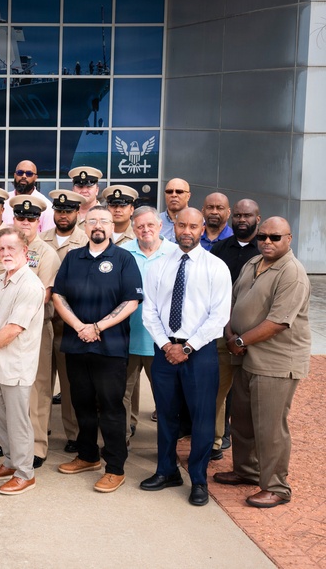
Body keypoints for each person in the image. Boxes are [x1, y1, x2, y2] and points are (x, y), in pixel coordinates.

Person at [216, 217, 311, 509]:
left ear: (289, 239)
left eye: (275, 237)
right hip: (245, 357)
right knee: (242, 420)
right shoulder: (253, 263)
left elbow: (279, 321)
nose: (267, 241)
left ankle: (276, 487)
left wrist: (241, 341)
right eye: (264, 236)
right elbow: (233, 301)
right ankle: (247, 471)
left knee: (270, 427)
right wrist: (231, 332)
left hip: (276, 362)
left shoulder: (292, 273)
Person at [141, 208, 231, 507]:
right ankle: (167, 471)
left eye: (193, 226)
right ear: (173, 227)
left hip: (200, 353)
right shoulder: (159, 266)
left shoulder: (216, 267)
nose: (187, 231)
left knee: (202, 419)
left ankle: (199, 480)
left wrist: (187, 347)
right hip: (165, 351)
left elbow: (219, 317)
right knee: (166, 414)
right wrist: (167, 346)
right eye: (182, 225)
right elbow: (150, 311)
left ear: (202, 228)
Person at [53, 206, 143, 493]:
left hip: (111, 347)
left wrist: (97, 327)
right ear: (85, 224)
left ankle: (115, 468)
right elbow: (58, 296)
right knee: (82, 403)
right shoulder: (72, 258)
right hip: (77, 343)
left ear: (112, 225)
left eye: (104, 221)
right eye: (93, 221)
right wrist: (80, 326)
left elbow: (131, 301)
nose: (98, 226)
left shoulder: (124, 258)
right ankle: (88, 455)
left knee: (111, 408)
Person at [0, 226, 46, 495]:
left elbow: (14, 328)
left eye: (11, 248)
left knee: (18, 421)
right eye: (1, 248)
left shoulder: (30, 285)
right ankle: (9, 462)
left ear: (25, 251)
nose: (5, 253)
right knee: (2, 417)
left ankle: (25, 473)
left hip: (15, 362)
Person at [7, 196, 61, 468]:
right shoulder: (6, 249)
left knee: (37, 388)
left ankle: (37, 446)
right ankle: (14, 445)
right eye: (20, 217)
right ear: (13, 219)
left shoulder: (46, 253)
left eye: (30, 219)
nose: (25, 223)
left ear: (39, 222)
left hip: (35, 329)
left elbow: (44, 295)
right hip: (6, 331)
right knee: (10, 389)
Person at [120, 206, 178, 442]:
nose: (145, 230)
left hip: (162, 342)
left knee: (165, 398)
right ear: (133, 229)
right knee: (121, 396)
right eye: (140, 226)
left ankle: (167, 448)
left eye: (150, 225)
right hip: (128, 338)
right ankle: (120, 442)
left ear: (160, 226)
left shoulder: (175, 254)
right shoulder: (122, 253)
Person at [209, 199, 261, 458]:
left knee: (246, 398)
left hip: (257, 336)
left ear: (257, 218)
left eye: (247, 215)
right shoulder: (218, 249)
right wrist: (228, 332)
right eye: (238, 215)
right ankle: (216, 441)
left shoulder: (265, 251)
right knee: (218, 391)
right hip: (222, 332)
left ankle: (246, 454)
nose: (242, 219)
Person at [40, 190, 89, 452]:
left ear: (77, 213)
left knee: (71, 385)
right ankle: (40, 429)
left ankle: (73, 434)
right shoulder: (40, 240)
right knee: (41, 381)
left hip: (71, 324)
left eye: (68, 211)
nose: (63, 216)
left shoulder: (85, 241)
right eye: (59, 211)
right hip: (44, 321)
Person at [3, 160, 54, 232]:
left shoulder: (46, 206)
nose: (24, 176)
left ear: (36, 177)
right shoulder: (4, 201)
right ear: (15, 175)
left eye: (29, 174)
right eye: (20, 173)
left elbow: (47, 237)